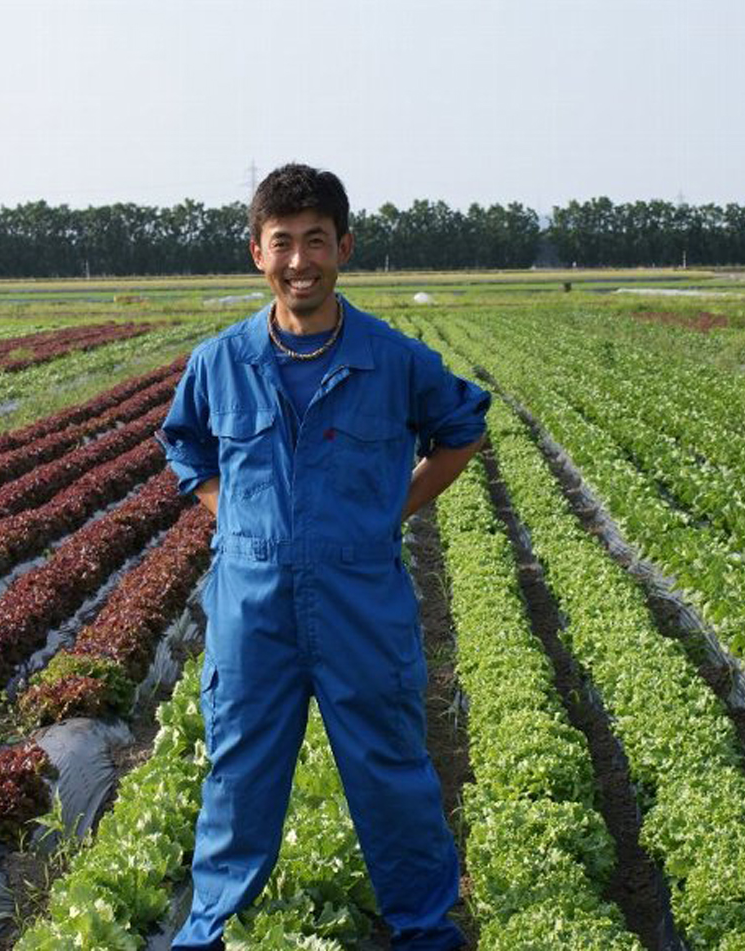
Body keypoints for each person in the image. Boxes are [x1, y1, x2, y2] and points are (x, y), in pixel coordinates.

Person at [157, 163, 489, 951]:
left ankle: (422, 927)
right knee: (238, 776)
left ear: (344, 247)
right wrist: (232, 513)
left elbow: (462, 429)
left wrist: (391, 509)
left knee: (391, 771)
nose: (299, 260)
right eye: (283, 243)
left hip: (359, 602)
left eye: (315, 241)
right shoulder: (221, 362)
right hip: (252, 605)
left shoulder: (393, 359)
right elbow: (187, 447)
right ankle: (213, 927)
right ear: (257, 254)